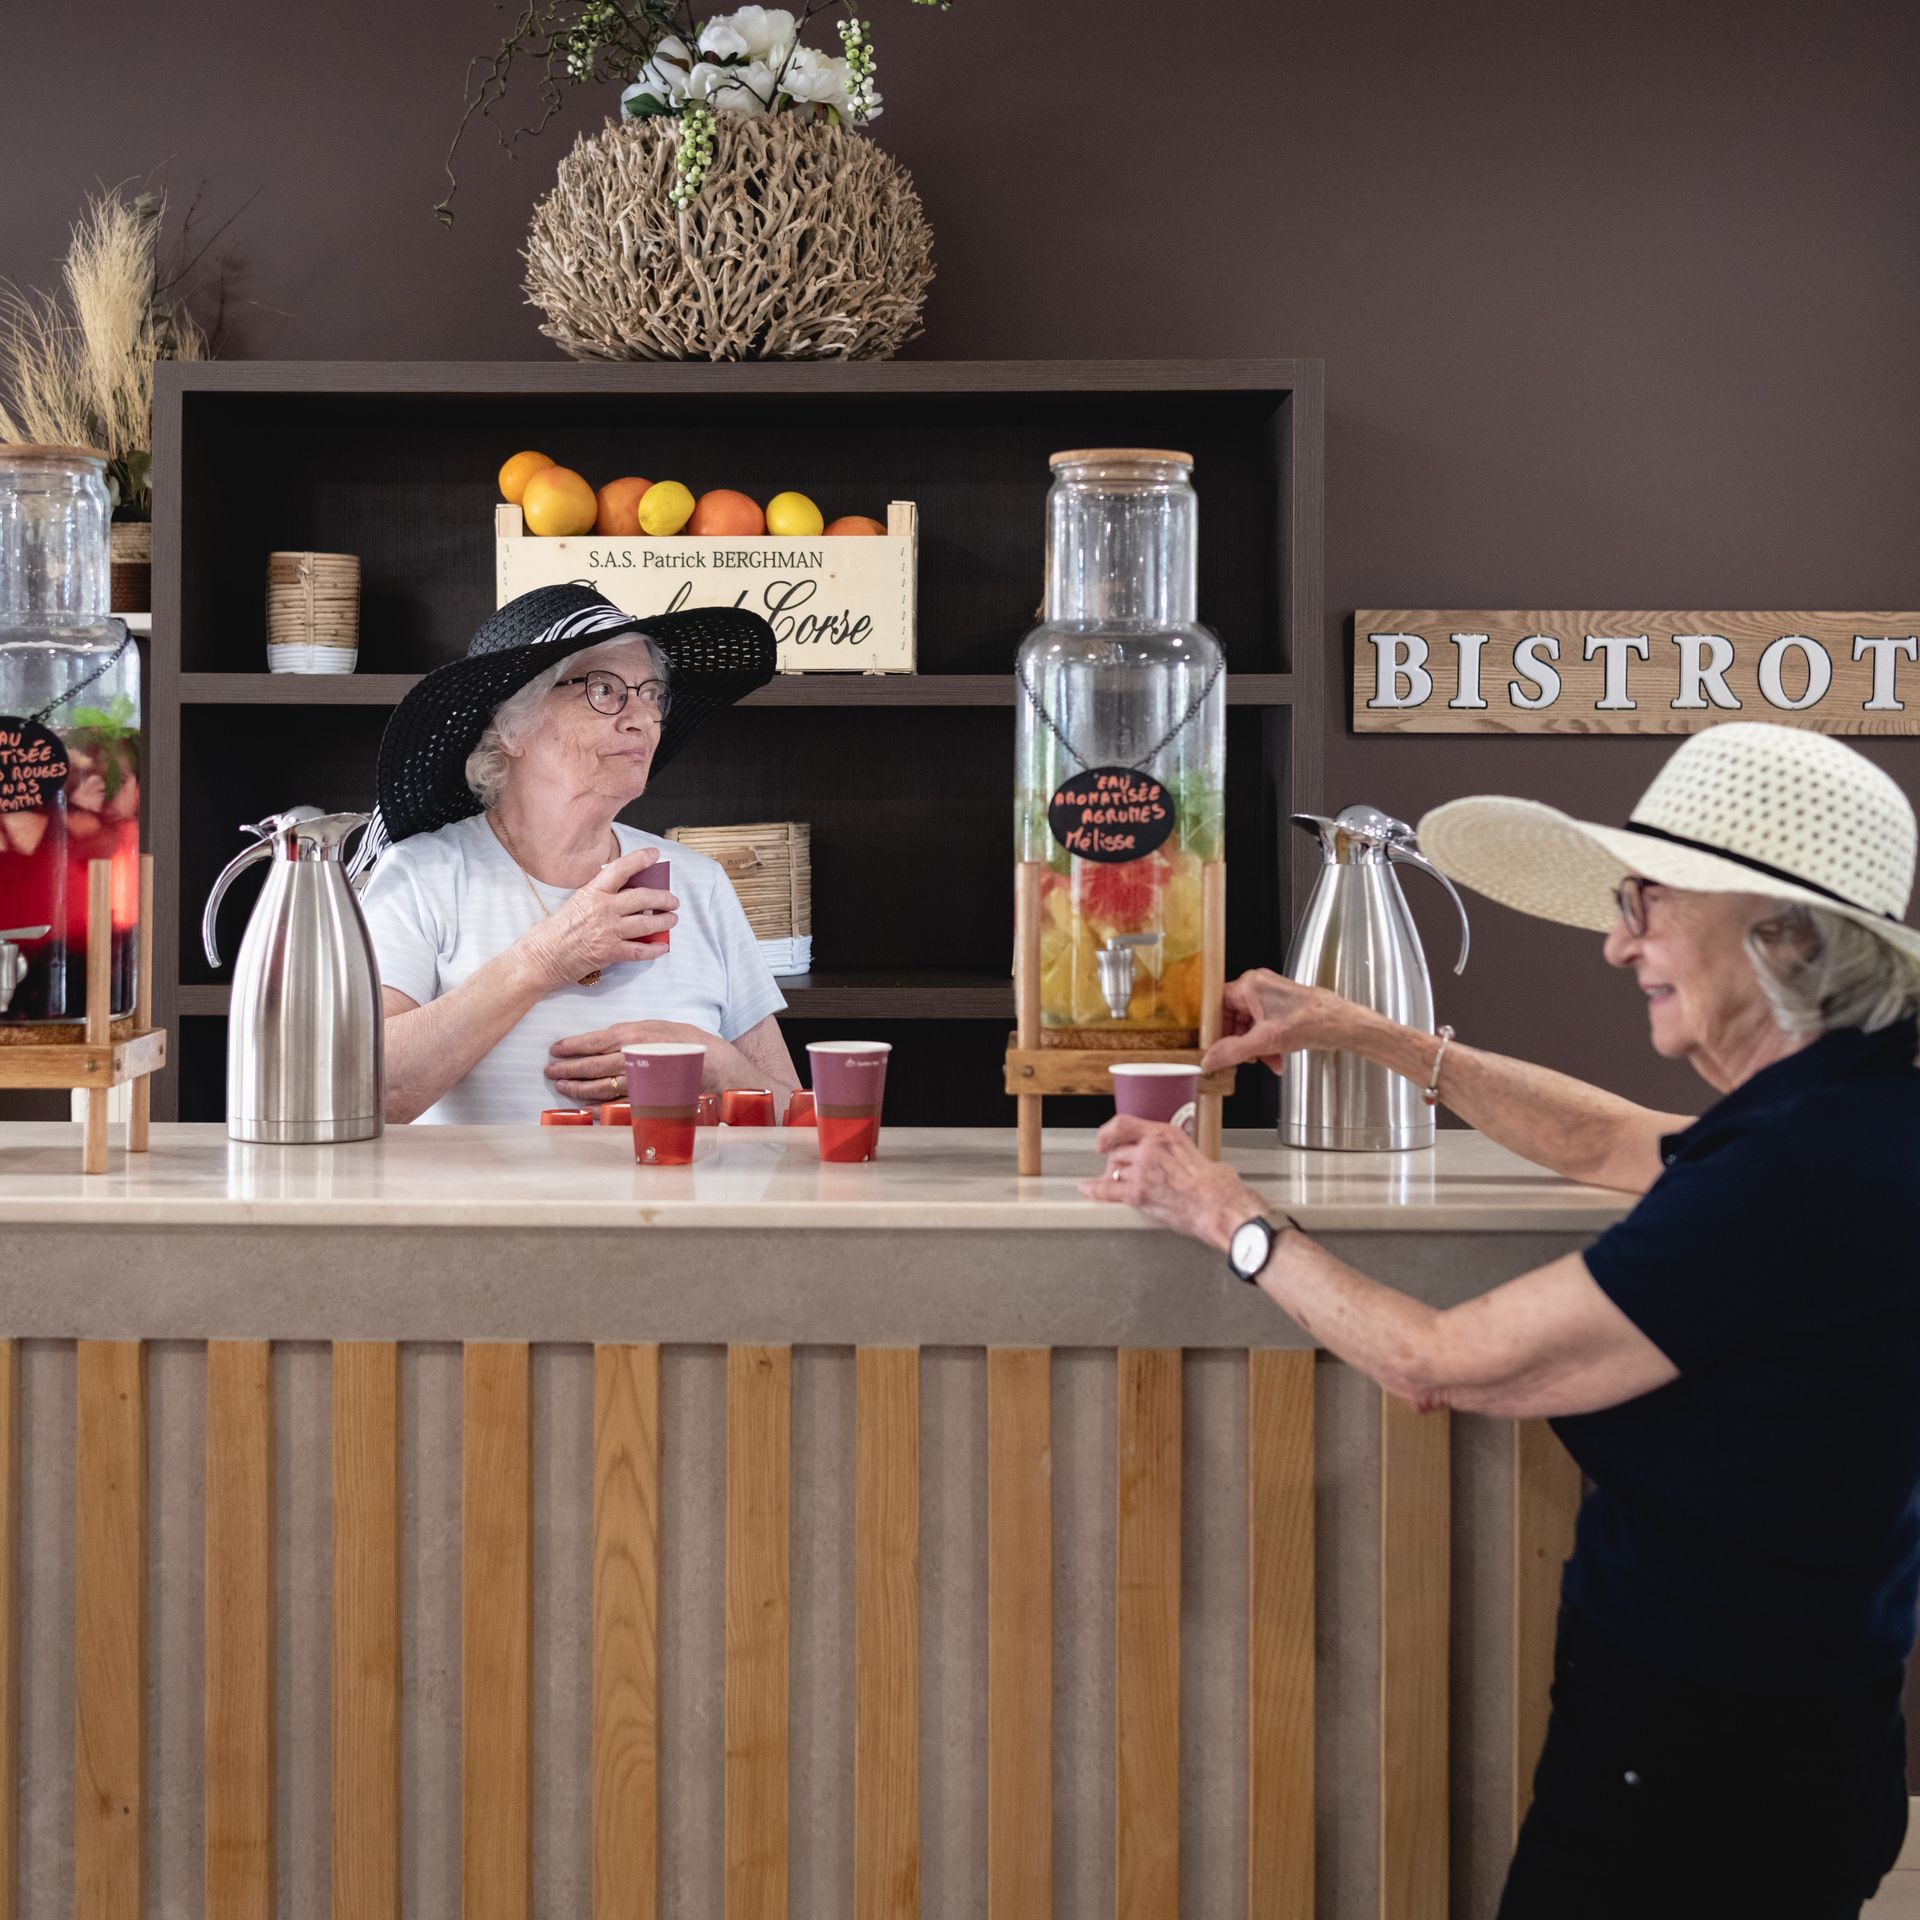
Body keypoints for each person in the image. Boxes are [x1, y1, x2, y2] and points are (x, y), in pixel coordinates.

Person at [1086, 722, 1920, 1919]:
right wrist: (1355, 1030)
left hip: (1702, 1775)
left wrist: (1227, 1217)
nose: (1615, 940)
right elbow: (1602, 1138)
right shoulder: (1851, 1119)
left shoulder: (1785, 1176)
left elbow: (1441, 1362)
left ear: (1778, 931)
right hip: (1798, 1737)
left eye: (1645, 900)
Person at [357, 584, 798, 1123]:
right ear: (511, 728)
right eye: (605, 690)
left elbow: (796, 1117)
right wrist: (543, 960)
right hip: (489, 1210)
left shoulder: (698, 882)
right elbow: (366, 1093)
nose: (643, 717)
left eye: (651, 693)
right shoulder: (423, 876)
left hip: (678, 1207)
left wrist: (720, 1067)